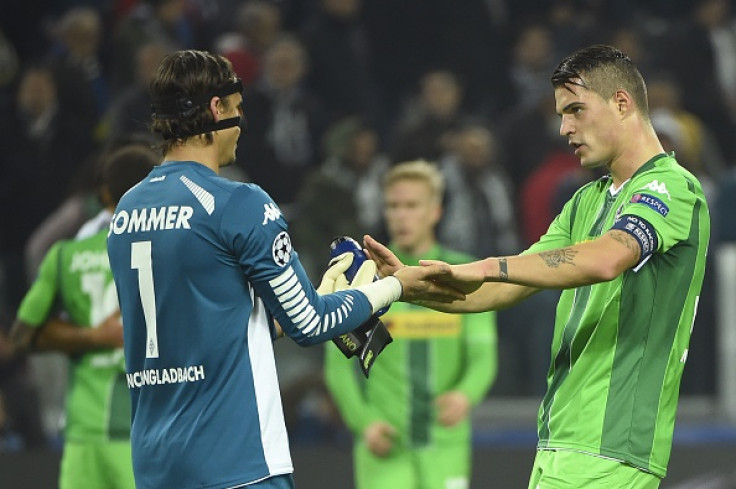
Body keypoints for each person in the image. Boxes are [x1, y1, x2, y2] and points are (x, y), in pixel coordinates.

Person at [104, 49, 456, 489]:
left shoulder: (127, 211)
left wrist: (309, 299)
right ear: (217, 109)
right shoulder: (238, 203)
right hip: (238, 463)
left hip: (156, 465)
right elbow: (310, 323)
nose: (241, 126)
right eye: (238, 109)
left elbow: (203, 331)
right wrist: (393, 287)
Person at [364, 45, 711, 489]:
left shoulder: (671, 187)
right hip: (560, 441)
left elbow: (607, 258)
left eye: (576, 110)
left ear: (622, 103)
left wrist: (488, 264)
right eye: (561, 114)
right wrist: (404, 288)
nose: (564, 127)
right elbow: (504, 287)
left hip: (610, 445)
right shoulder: (586, 201)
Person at [325, 160, 497, 489]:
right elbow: (337, 365)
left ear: (435, 211)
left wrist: (465, 395)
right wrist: (365, 423)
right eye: (393, 206)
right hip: (385, 446)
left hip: (444, 444)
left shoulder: (463, 275)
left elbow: (483, 355)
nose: (401, 215)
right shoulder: (360, 277)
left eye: (411, 205)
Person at [8, 144, 158, 488]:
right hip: (146, 434)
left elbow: (21, 336)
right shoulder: (170, 252)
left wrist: (88, 337)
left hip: (83, 435)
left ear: (104, 193)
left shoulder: (66, 255)